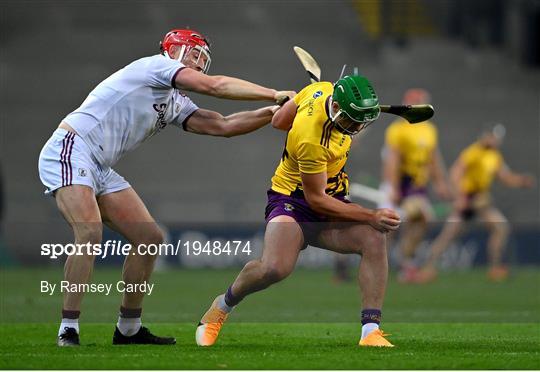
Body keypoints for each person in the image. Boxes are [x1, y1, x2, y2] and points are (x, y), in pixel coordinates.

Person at [38, 28, 295, 347]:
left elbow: (223, 125)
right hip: (71, 147)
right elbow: (215, 86)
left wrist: (276, 112)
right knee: (89, 233)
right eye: (193, 54)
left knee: (149, 238)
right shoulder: (155, 66)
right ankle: (68, 328)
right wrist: (273, 94)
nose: (199, 63)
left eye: (203, 59)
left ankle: (128, 329)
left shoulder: (172, 100)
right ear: (172, 50)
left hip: (100, 166)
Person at [196, 75, 401, 348]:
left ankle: (370, 332)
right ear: (337, 109)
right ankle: (222, 305)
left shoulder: (320, 89)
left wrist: (295, 102)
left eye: (361, 120)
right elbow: (316, 201)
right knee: (274, 268)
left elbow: (278, 121)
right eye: (352, 120)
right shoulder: (311, 138)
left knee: (374, 238)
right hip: (294, 201)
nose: (356, 127)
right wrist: (371, 215)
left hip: (331, 196)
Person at [416, 124, 535, 283]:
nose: (494, 140)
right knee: (448, 235)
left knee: (500, 227)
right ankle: (427, 269)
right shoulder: (473, 152)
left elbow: (505, 177)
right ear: (485, 136)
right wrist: (460, 197)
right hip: (467, 199)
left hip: (480, 200)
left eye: (497, 138)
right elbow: (455, 174)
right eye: (492, 136)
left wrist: (521, 181)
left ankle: (495, 268)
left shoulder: (495, 156)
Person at [380, 88, 450, 282]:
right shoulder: (397, 130)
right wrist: (392, 187)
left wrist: (440, 183)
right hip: (401, 185)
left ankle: (404, 261)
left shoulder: (429, 130)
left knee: (422, 219)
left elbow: (433, 159)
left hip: (417, 187)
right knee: (389, 227)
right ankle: (388, 264)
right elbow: (392, 160)